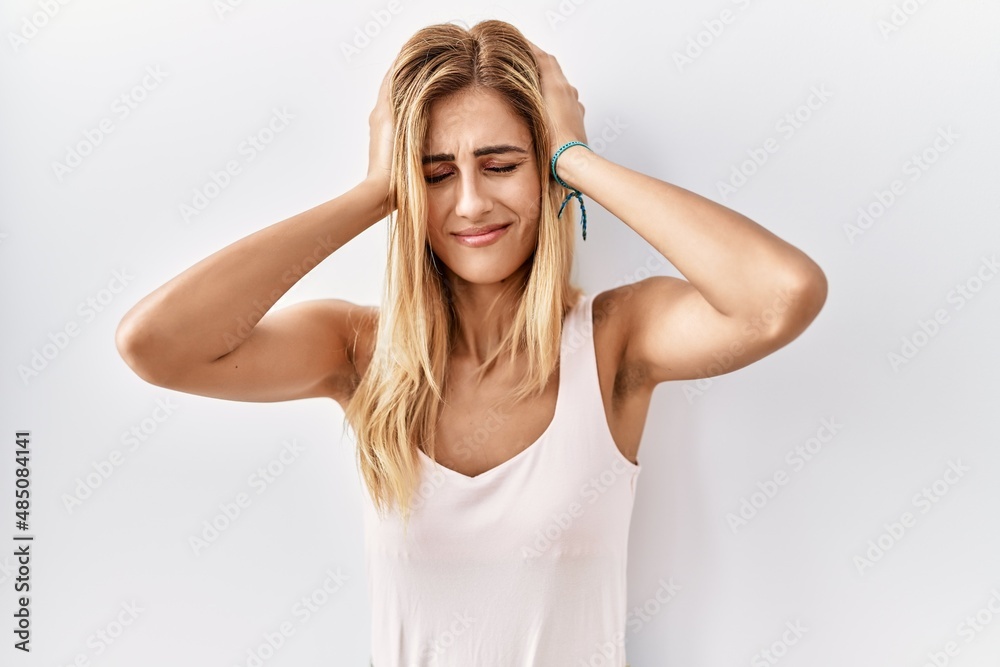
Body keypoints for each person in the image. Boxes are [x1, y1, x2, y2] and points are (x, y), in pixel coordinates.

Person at [115, 18, 827, 667]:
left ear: (542, 168)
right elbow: (156, 344)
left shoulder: (615, 341)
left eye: (501, 164)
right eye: (434, 173)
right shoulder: (360, 351)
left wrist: (575, 158)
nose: (470, 203)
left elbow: (780, 296)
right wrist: (375, 191)